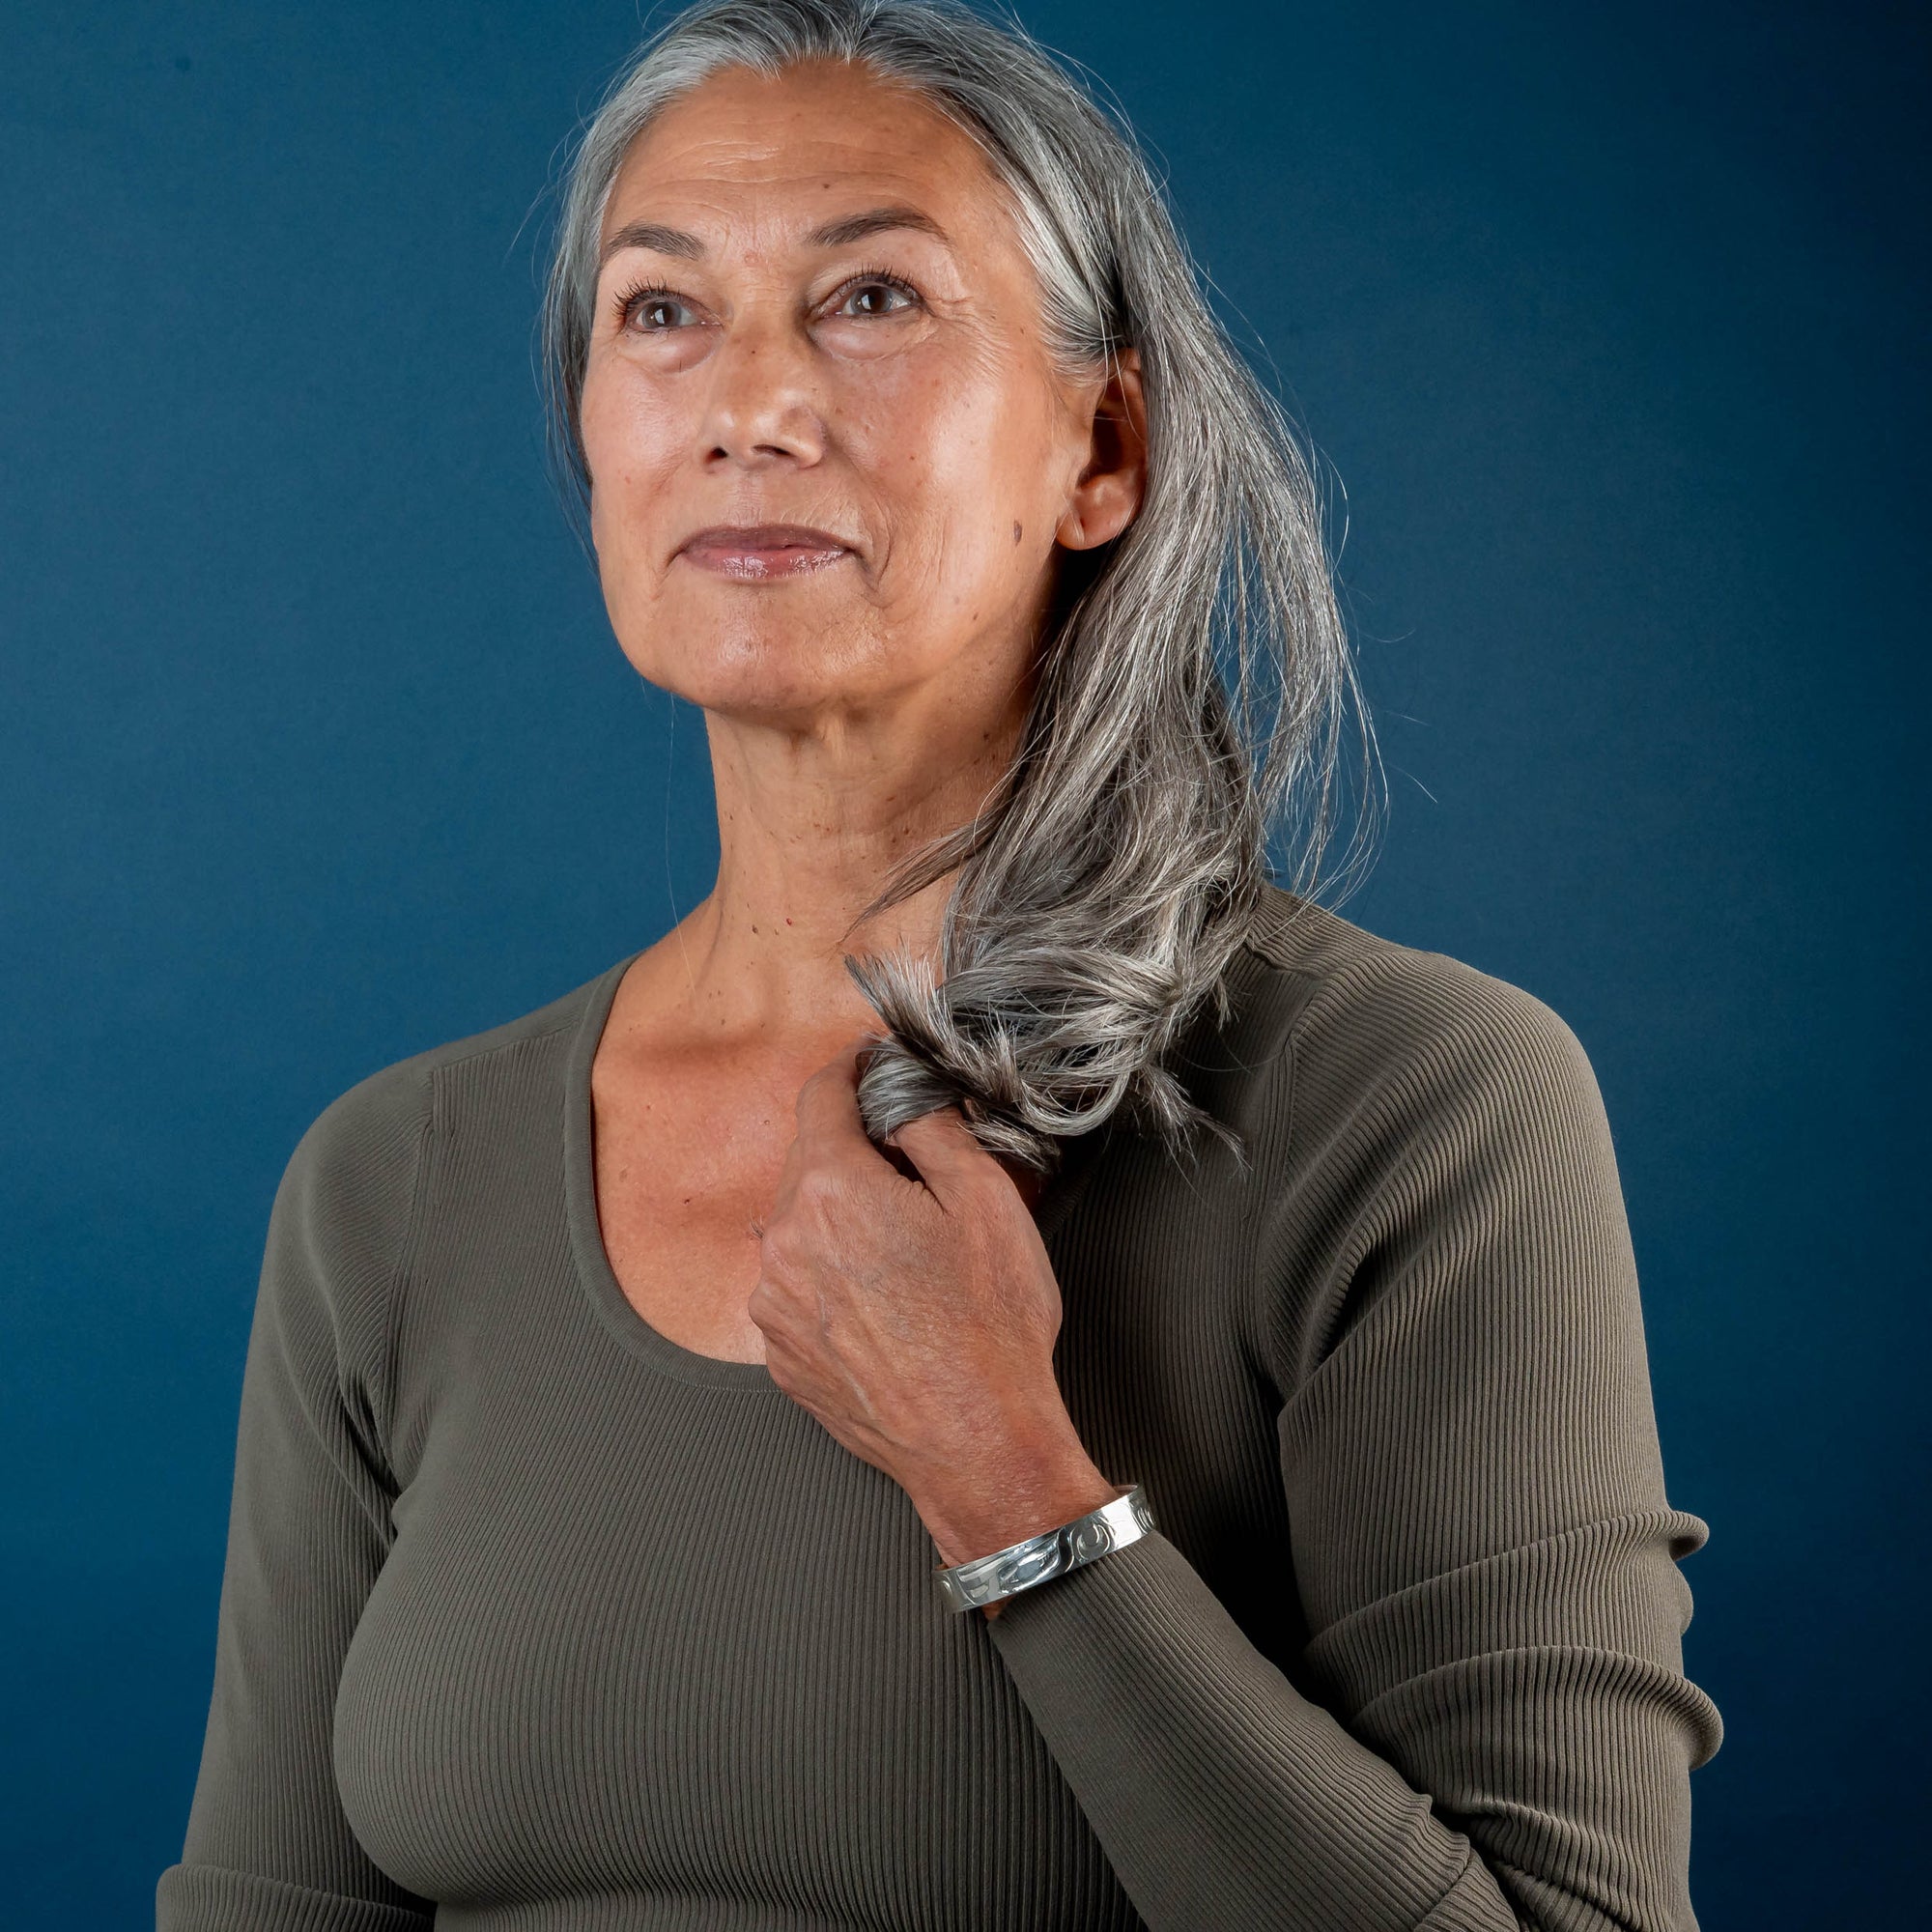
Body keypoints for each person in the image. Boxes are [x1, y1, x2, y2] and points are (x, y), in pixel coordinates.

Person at [156, 2, 1721, 1927]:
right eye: (660, 312)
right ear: (587, 427)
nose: (747, 402)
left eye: (872, 300)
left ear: (1103, 448)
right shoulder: (390, 1184)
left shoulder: (1405, 1108)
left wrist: (1013, 1489)